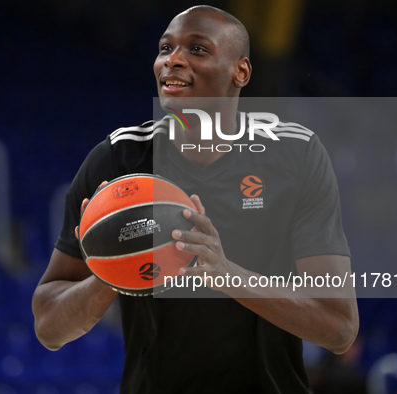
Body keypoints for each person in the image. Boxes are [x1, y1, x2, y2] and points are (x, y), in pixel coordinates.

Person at [32, 5, 359, 393]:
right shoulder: (119, 159)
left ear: (241, 71)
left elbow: (338, 328)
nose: (172, 60)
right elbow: (49, 328)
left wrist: (224, 274)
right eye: (165, 48)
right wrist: (109, 273)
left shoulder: (295, 156)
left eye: (197, 49)